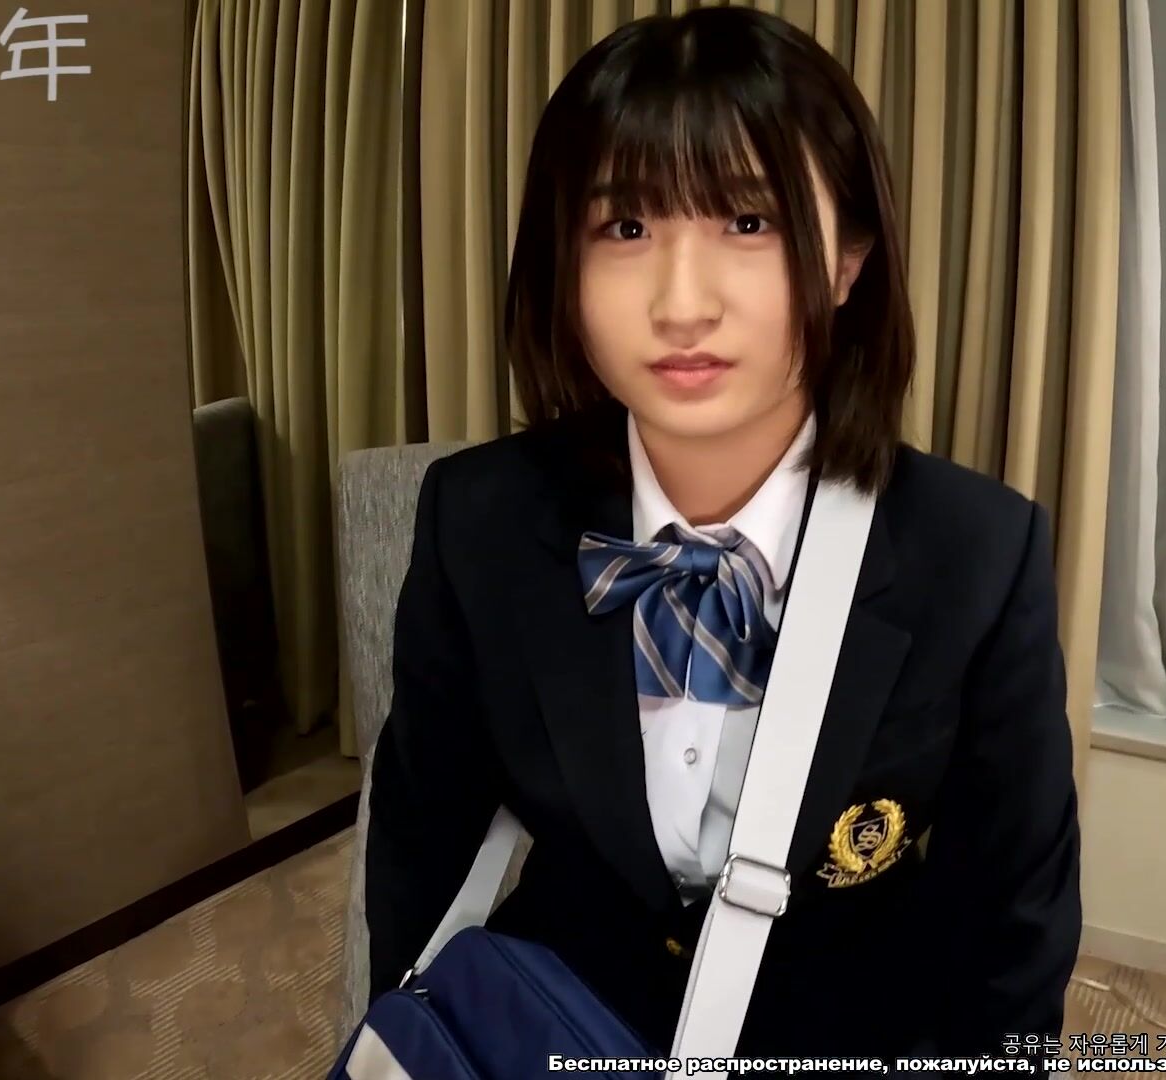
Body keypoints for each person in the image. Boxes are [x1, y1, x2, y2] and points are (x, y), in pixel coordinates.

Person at [365, 5, 1080, 1062]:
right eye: (625, 228)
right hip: (557, 1020)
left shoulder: (977, 554)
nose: (682, 303)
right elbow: (420, 844)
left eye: (749, 222)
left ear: (848, 259)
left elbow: (1012, 929)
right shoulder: (480, 519)